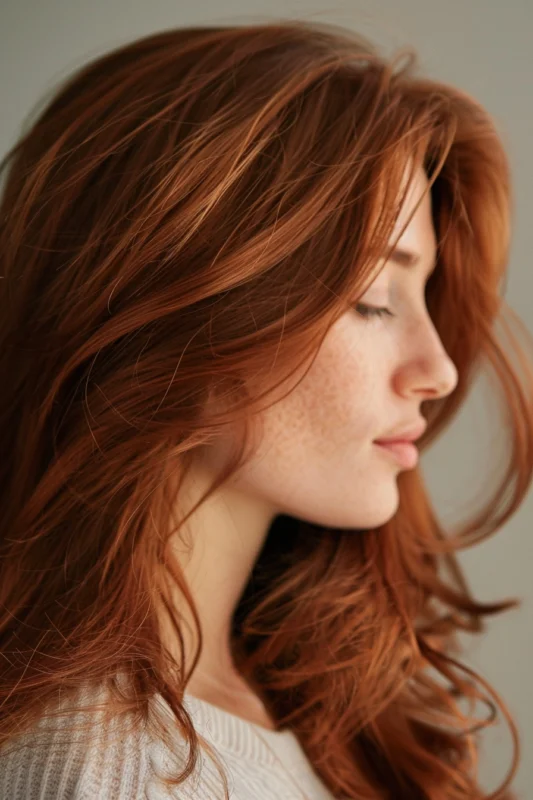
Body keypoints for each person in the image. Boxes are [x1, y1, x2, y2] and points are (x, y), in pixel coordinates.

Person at [0, 17, 531, 800]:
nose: (440, 372)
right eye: (373, 298)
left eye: (423, 295)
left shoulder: (280, 705)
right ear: (170, 304)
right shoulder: (107, 771)